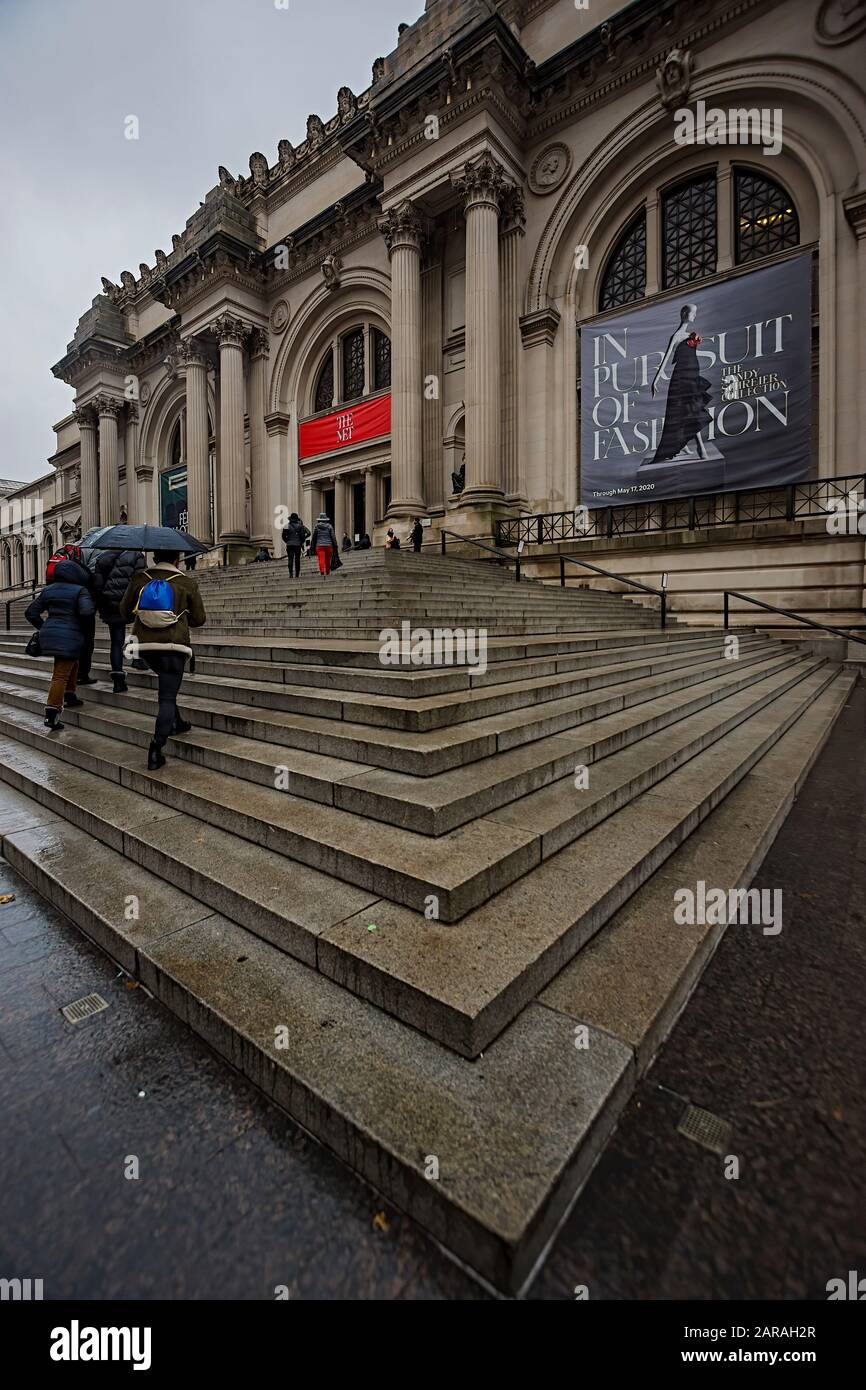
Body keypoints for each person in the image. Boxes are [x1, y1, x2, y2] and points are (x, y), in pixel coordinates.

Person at [119, 549, 206, 770]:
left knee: (168, 686)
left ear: (154, 558)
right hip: (174, 646)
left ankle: (177, 721)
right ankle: (156, 747)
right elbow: (199, 619)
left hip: (145, 646)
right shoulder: (186, 582)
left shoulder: (140, 579)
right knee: (167, 696)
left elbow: (124, 613)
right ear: (177, 559)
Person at [25, 558, 95, 731]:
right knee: (60, 674)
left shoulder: (48, 590)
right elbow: (87, 612)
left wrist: (46, 627)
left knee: (72, 662)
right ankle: (52, 713)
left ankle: (70, 694)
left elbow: (30, 612)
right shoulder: (80, 590)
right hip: (71, 634)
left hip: (53, 634)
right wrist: (85, 631)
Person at [93, 546, 145, 693]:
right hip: (130, 602)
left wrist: (103, 604)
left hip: (110, 604)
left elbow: (97, 585)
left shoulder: (102, 558)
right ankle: (138, 658)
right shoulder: (136, 555)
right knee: (139, 627)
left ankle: (118, 681)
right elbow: (141, 580)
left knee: (116, 642)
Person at [309, 512, 338, 578]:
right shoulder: (330, 526)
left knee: (321, 559)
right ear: (326, 519)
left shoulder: (317, 527)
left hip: (319, 546)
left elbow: (314, 537)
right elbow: (333, 536)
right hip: (328, 545)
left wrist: (312, 545)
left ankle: (322, 572)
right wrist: (335, 545)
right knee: (328, 560)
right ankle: (327, 572)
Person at [281, 513, 309, 578]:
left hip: (289, 544)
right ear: (297, 519)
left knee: (290, 559)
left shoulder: (286, 526)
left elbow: (283, 536)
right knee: (297, 560)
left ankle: (290, 574)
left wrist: (287, 541)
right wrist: (301, 542)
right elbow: (302, 536)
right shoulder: (300, 526)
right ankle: (297, 575)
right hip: (297, 545)